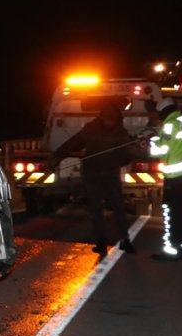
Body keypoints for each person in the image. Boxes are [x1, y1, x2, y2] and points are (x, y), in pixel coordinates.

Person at [52, 100, 137, 258]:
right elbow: (72, 143)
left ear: (116, 119)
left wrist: (127, 154)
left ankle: (124, 240)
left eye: (111, 120)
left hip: (108, 174)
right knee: (98, 208)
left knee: (117, 207)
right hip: (93, 174)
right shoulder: (101, 130)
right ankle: (102, 242)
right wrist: (56, 157)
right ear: (102, 118)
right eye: (107, 120)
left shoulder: (119, 133)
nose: (108, 123)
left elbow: (126, 155)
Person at [148, 97, 182, 260]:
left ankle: (172, 251)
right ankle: (181, 248)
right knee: (179, 213)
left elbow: (162, 150)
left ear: (163, 111)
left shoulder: (169, 124)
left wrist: (152, 142)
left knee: (170, 213)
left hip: (174, 176)